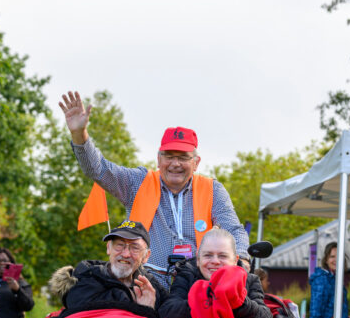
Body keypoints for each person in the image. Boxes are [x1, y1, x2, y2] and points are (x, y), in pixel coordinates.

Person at [59, 91, 248, 286]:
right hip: (145, 283)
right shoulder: (137, 181)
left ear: (196, 162)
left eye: (183, 157)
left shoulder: (213, 190)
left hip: (197, 285)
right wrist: (79, 134)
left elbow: (233, 229)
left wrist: (242, 260)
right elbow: (98, 169)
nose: (175, 163)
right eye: (169, 156)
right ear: (159, 159)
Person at [159, 227, 271, 318]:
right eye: (208, 255)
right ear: (198, 259)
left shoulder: (250, 280)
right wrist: (205, 299)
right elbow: (168, 313)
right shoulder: (186, 275)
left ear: (235, 260)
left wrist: (238, 302)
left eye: (222, 256)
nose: (215, 261)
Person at [65, 220, 168, 314]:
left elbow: (171, 317)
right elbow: (81, 309)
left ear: (146, 256)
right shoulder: (86, 278)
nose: (126, 254)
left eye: (135, 248)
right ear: (109, 248)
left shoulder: (152, 286)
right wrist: (143, 309)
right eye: (120, 245)